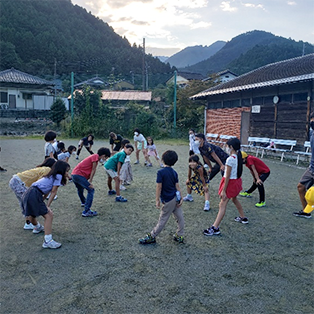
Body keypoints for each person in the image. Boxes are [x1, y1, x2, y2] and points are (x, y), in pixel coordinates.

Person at [203, 138, 248, 236]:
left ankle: (215, 228)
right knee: (234, 199)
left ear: (231, 147)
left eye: (227, 146)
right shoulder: (238, 156)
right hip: (236, 181)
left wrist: (224, 190)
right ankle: (243, 217)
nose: (225, 147)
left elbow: (227, 176)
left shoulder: (230, 159)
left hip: (230, 183)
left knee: (222, 204)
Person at [21, 160, 70, 249]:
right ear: (61, 170)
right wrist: (47, 206)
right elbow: (53, 191)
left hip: (28, 192)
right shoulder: (58, 176)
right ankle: (48, 241)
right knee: (49, 215)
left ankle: (37, 227)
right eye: (66, 171)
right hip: (34, 193)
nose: (67, 173)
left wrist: (42, 201)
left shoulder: (51, 175)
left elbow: (47, 191)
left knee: (32, 213)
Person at [139, 150, 185, 244]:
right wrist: (181, 197)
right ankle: (180, 235)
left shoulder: (161, 172)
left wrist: (157, 200)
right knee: (180, 217)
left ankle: (152, 236)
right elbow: (178, 187)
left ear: (163, 160)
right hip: (175, 198)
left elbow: (159, 187)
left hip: (168, 200)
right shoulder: (174, 172)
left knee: (163, 219)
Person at [9, 158, 56, 230]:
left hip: (15, 180)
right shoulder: (47, 170)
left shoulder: (42, 168)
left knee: (24, 202)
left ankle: (28, 222)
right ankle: (29, 223)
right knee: (29, 203)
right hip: (19, 183)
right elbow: (39, 184)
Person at [72, 147, 111, 217]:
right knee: (91, 190)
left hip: (74, 174)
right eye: (105, 157)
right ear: (103, 155)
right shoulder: (95, 157)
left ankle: (84, 202)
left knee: (80, 189)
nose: (105, 159)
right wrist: (90, 181)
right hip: (79, 175)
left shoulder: (93, 157)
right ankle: (86, 211)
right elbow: (93, 169)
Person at [294, 112, 314, 218]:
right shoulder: (311, 133)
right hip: (312, 168)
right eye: (311, 120)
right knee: (301, 187)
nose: (312, 123)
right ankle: (306, 211)